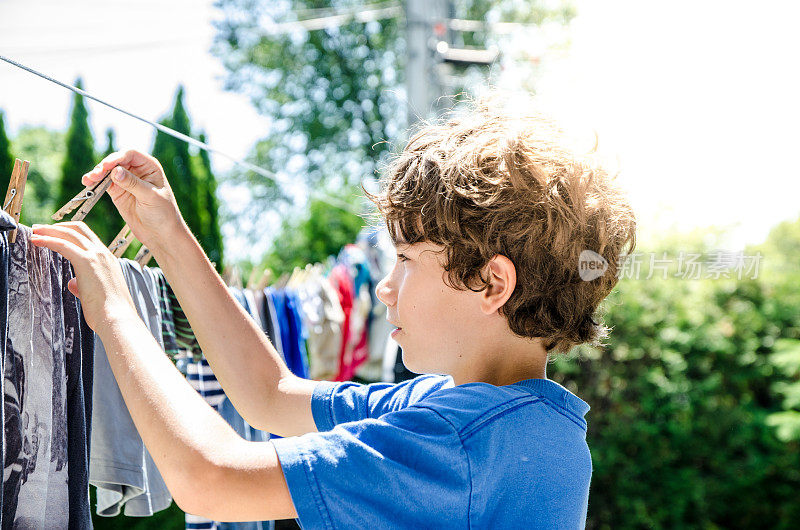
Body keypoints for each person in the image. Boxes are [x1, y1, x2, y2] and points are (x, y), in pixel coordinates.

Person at [30, 94, 636, 529]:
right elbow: (270, 395)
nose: (385, 288)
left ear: (491, 282)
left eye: (406, 260)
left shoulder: (455, 441)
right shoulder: (504, 421)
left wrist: (112, 308)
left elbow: (209, 478)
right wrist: (168, 235)